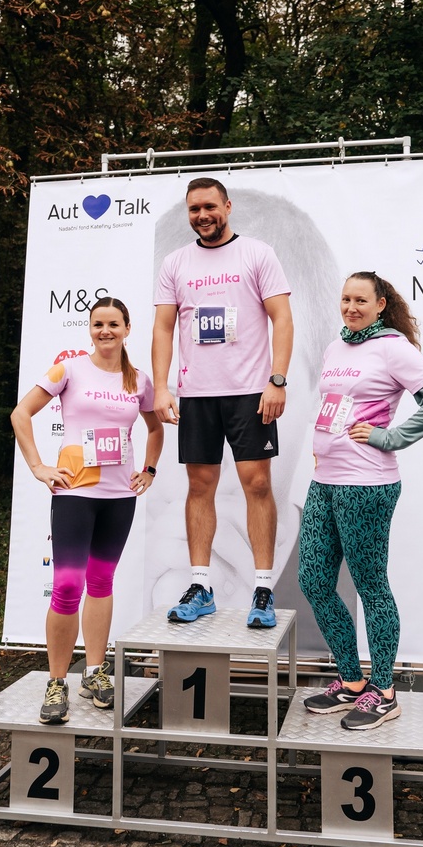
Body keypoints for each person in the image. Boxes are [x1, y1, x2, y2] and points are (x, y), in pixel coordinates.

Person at [299, 272, 423, 731]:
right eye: (345, 299)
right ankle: (351, 681)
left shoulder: (391, 347)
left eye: (361, 300)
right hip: (325, 481)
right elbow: (335, 406)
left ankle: (384, 691)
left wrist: (392, 437)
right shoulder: (337, 346)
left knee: (370, 586)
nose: (351, 307)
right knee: (313, 580)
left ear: (380, 304)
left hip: (366, 484)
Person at [11, 297, 163, 725]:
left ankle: (95, 671)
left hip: (119, 497)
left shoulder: (139, 380)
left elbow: (155, 428)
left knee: (100, 582)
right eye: (98, 324)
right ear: (90, 329)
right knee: (66, 587)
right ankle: (57, 681)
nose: (105, 331)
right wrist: (39, 467)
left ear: (127, 328)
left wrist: (149, 469)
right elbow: (21, 414)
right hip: (75, 493)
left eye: (113, 324)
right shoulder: (69, 370)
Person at [152, 177, 293, 629]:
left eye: (210, 206)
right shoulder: (175, 262)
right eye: (194, 209)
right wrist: (161, 387)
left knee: (257, 484)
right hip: (196, 394)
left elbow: (282, 318)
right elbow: (163, 328)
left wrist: (277, 380)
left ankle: (263, 589)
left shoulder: (257, 253)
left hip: (250, 392)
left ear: (227, 207)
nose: (202, 216)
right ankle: (201, 586)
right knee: (199, 486)